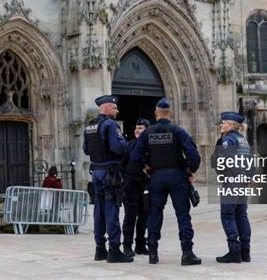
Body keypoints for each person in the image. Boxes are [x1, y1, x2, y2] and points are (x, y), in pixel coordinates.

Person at [130, 98, 202, 266]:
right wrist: (190, 171)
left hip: (156, 177)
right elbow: (194, 156)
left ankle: (153, 253)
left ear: (156, 114)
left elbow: (134, 156)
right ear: (171, 113)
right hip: (177, 177)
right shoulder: (178, 131)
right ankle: (187, 253)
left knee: (155, 213)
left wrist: (147, 168)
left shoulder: (148, 133)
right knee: (183, 215)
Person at [83, 95, 133, 263]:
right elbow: (118, 148)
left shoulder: (90, 126)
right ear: (105, 108)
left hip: (96, 171)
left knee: (99, 210)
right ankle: (114, 250)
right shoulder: (110, 125)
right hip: (110, 173)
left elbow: (86, 150)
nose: (117, 111)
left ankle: (100, 249)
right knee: (111, 210)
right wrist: (126, 144)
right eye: (115, 108)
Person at [213, 112, 253, 263]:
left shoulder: (227, 140)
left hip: (232, 181)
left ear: (231, 125)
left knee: (228, 215)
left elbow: (227, 161)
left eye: (223, 123)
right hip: (242, 182)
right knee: (241, 215)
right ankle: (245, 252)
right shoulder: (243, 140)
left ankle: (234, 252)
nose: (221, 126)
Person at [122, 118, 150, 258]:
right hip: (131, 184)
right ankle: (127, 246)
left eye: (141, 128)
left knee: (144, 216)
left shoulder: (151, 146)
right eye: (136, 128)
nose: (137, 131)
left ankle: (140, 244)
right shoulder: (130, 145)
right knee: (130, 216)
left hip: (145, 184)